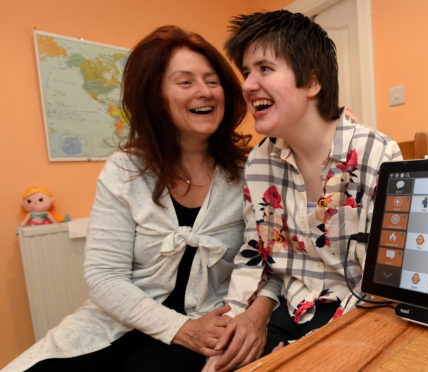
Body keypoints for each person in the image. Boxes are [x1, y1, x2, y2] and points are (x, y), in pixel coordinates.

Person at [4, 25, 250, 372]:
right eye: (185, 82)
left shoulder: (250, 171)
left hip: (205, 326)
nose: (205, 92)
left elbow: (264, 262)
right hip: (120, 324)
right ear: (154, 96)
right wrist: (180, 328)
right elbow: (105, 277)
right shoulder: (125, 169)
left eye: (213, 81)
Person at [204, 10, 402, 372]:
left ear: (311, 81)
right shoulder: (260, 161)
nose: (247, 84)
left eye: (264, 68)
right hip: (292, 305)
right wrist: (236, 322)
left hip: (361, 311)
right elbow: (256, 254)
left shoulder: (378, 153)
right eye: (246, 72)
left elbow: (388, 279)